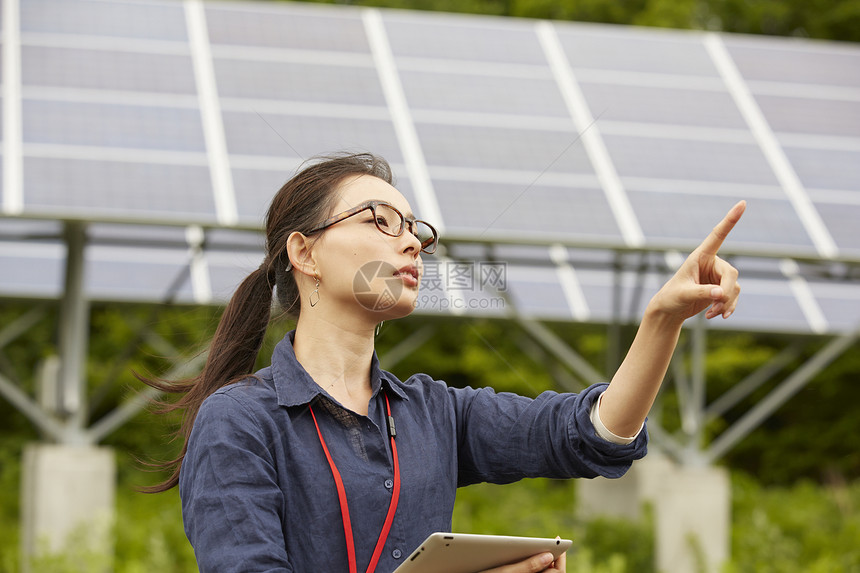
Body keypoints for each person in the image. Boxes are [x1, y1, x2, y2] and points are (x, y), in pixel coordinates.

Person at [144, 152, 744, 573]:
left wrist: (662, 320)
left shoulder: (436, 414)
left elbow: (593, 434)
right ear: (304, 252)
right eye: (382, 222)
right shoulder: (241, 422)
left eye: (415, 230)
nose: (411, 243)